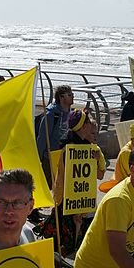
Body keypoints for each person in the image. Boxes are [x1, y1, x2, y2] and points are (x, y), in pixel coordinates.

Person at [38, 109, 106, 256]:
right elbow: (67, 178)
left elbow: (100, 175)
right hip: (67, 198)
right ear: (83, 127)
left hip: (82, 199)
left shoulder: (92, 149)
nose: (91, 128)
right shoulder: (68, 150)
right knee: (65, 238)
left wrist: (95, 160)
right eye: (87, 122)